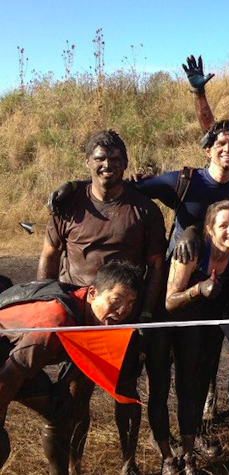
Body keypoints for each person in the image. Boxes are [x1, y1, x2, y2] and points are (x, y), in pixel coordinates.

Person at [38, 130, 166, 475]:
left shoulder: (144, 209)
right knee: (76, 393)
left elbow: (156, 266)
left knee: (125, 391)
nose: (108, 165)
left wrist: (146, 315)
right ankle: (74, 463)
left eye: (115, 159)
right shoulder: (67, 205)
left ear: (125, 163)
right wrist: (46, 301)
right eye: (100, 159)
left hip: (124, 317)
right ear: (88, 163)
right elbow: (50, 255)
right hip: (78, 314)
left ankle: (128, 463)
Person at [0, 260, 143, 475]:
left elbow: (85, 354)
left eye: (131, 303)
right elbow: (10, 376)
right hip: (8, 366)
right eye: (117, 300)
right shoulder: (54, 322)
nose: (124, 310)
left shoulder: (97, 314)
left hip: (15, 359)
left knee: (61, 412)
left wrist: (63, 385)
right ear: (93, 293)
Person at [155, 200, 229, 475]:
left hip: (196, 323)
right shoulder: (192, 252)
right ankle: (167, 456)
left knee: (190, 388)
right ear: (209, 229)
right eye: (223, 225)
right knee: (159, 388)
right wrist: (198, 289)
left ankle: (189, 454)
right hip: (166, 321)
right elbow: (170, 301)